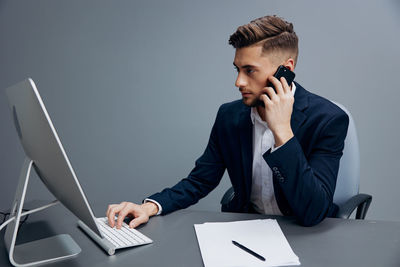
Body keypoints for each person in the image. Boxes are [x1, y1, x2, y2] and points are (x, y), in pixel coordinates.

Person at [106, 15, 349, 228]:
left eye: (250, 70)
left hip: (307, 235)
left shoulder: (328, 120)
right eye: (237, 70)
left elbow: (313, 212)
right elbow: (200, 180)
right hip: (246, 231)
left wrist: (282, 131)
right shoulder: (229, 116)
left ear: (284, 70)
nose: (239, 82)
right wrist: (149, 206)